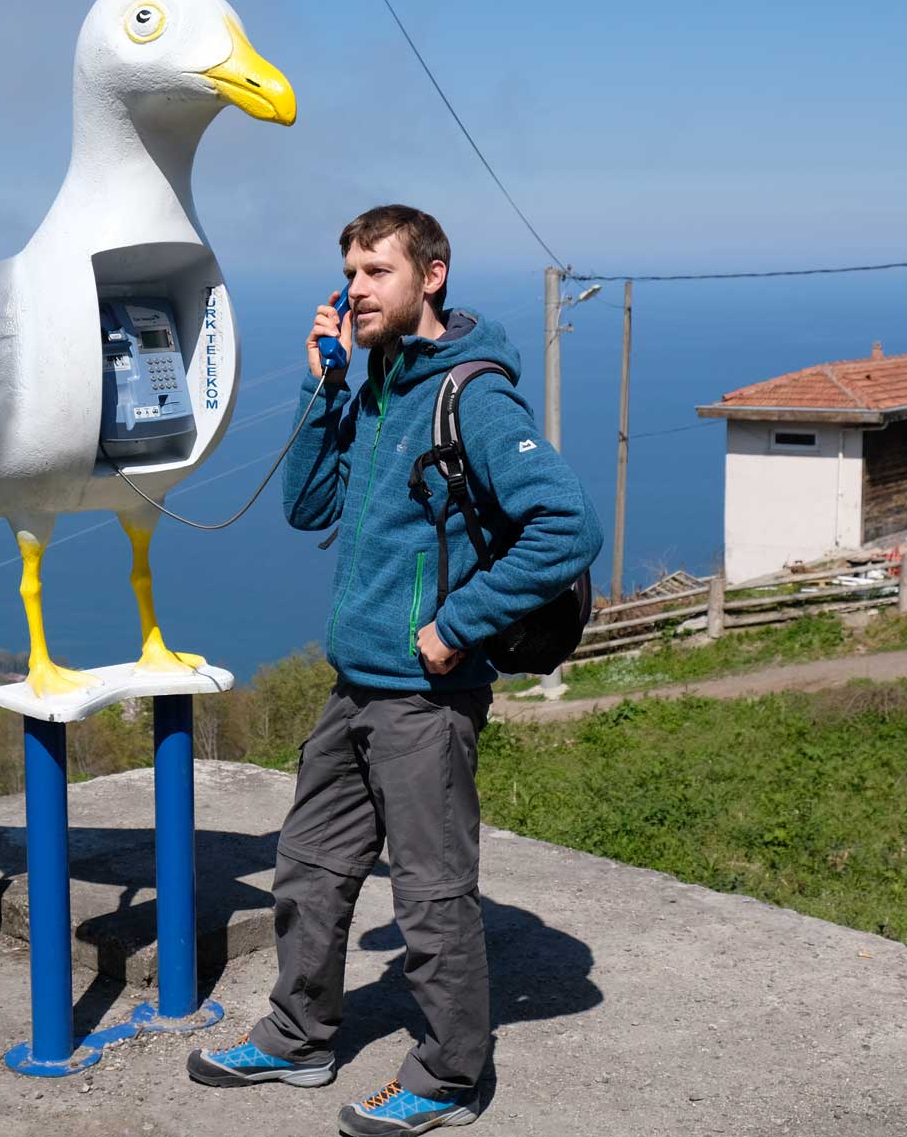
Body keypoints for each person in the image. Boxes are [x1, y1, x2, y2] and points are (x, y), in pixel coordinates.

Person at [186, 205, 602, 1135]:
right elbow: (304, 505)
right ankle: (297, 1038)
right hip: (356, 685)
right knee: (307, 867)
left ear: (432, 275)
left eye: (375, 271)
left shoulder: (473, 395)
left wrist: (457, 626)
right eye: (349, 272)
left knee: (429, 891)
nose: (354, 290)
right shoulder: (373, 384)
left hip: (426, 696)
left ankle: (450, 1076)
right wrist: (320, 387)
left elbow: (569, 525)